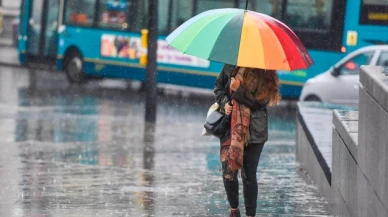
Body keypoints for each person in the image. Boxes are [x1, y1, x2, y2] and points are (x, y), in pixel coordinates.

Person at [214, 64, 281, 217]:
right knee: (228, 172)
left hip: (255, 131)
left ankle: (250, 214)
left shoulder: (265, 71)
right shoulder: (230, 66)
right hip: (229, 127)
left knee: (248, 175)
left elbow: (260, 103)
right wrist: (226, 103)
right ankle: (234, 209)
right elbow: (218, 87)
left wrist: (238, 90)